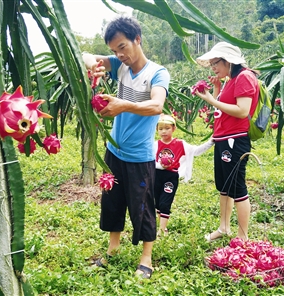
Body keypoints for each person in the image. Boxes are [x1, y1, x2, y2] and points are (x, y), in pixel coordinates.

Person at [82, 16, 170, 279]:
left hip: (139, 156)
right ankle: (113, 250)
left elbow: (157, 106)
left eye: (123, 47)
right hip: (115, 151)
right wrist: (95, 66)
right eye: (114, 51)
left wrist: (123, 104)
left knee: (142, 206)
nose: (120, 55)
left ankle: (146, 259)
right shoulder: (120, 67)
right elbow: (85, 54)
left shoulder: (157, 73)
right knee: (112, 201)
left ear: (138, 40)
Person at [194, 42, 259, 242]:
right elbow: (219, 111)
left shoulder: (245, 77)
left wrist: (211, 100)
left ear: (228, 61)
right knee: (224, 186)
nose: (213, 67)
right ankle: (223, 228)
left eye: (216, 62)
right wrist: (216, 89)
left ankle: (243, 237)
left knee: (237, 186)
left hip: (235, 139)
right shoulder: (230, 80)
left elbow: (242, 111)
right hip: (223, 138)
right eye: (212, 63)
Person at [154, 114, 214, 236]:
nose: (164, 131)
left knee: (165, 202)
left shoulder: (180, 144)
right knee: (158, 203)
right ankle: (162, 227)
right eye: (160, 129)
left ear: (174, 129)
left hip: (170, 176)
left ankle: (161, 230)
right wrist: (160, 165)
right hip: (156, 175)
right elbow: (148, 160)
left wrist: (212, 141)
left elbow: (196, 150)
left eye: (167, 128)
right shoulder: (155, 145)